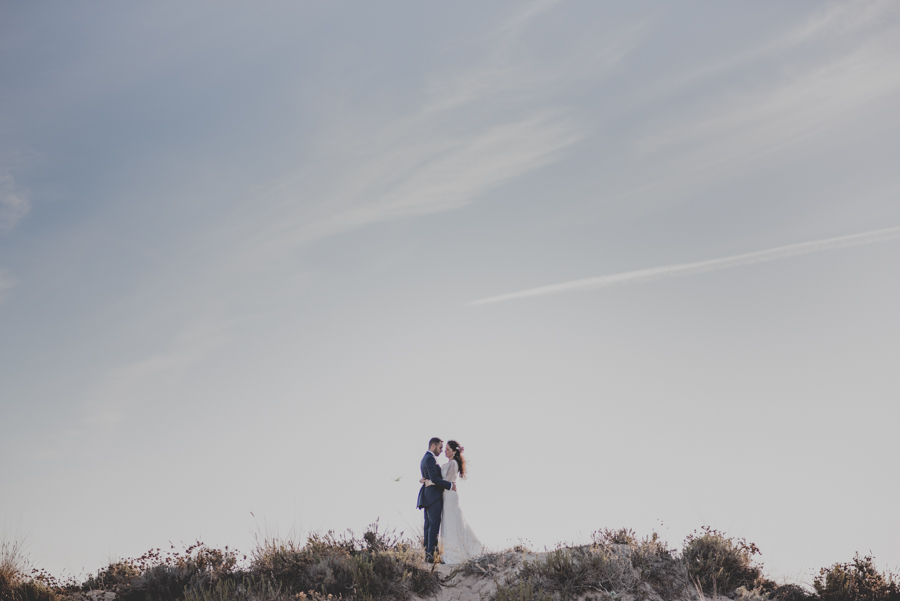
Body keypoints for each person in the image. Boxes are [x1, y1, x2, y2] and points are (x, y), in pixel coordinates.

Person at [421, 439, 483, 564]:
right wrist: (429, 479)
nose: (444, 451)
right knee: (445, 523)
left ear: (454, 452)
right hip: (443, 496)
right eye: (443, 448)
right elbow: (439, 478)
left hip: (449, 497)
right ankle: (444, 551)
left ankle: (453, 552)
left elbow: (446, 481)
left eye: (448, 449)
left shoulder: (453, 464)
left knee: (450, 522)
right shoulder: (443, 464)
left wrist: (429, 481)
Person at [417, 437, 455, 563]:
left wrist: (425, 480)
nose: (441, 450)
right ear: (433, 446)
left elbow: (429, 477)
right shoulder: (430, 458)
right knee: (433, 525)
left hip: (428, 496)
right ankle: (430, 554)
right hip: (433, 496)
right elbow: (435, 478)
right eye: (440, 447)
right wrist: (450, 486)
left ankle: (428, 552)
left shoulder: (425, 458)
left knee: (428, 525)